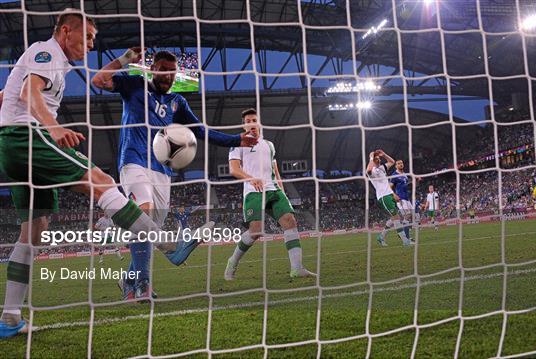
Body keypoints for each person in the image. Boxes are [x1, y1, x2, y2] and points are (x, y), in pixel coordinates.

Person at [0, 10, 196, 338]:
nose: (91, 44)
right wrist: (54, 126)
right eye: (88, 37)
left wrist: (127, 57)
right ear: (66, 31)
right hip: (29, 137)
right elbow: (26, 95)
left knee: (34, 231)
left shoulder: (49, 61)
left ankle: (9, 317)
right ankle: (168, 246)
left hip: (12, 143)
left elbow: (8, 95)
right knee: (102, 181)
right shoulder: (46, 51)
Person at [92, 49, 257, 299]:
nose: (167, 76)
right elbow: (99, 81)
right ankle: (154, 275)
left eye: (172, 71)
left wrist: (235, 139)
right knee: (143, 213)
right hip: (134, 160)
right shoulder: (135, 84)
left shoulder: (177, 102)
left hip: (162, 170)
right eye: (162, 69)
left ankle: (129, 282)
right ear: (153, 68)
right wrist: (125, 59)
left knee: (145, 230)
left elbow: (200, 130)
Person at [224, 108, 315, 280]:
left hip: (274, 189)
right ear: (244, 126)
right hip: (254, 191)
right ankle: (232, 261)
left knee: (290, 221)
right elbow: (234, 169)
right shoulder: (237, 143)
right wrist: (251, 179)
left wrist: (282, 189)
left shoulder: (269, 145)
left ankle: (297, 268)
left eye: (254, 120)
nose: (252, 124)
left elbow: (275, 170)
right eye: (248, 121)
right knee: (255, 232)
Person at [366, 150, 411, 247]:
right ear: (372, 161)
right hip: (383, 197)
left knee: (394, 217)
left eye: (378, 159)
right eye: (376, 159)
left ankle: (381, 236)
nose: (378, 160)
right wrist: (371, 158)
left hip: (390, 195)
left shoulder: (382, 168)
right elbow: (368, 171)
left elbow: (392, 162)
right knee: (396, 217)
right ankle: (405, 241)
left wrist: (384, 155)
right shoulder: (372, 171)